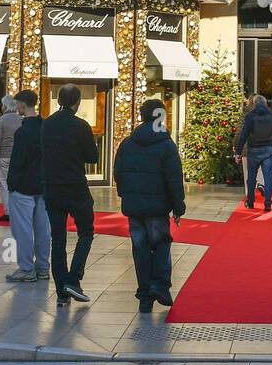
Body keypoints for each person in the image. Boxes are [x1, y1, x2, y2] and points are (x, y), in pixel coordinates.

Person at [113, 98, 186, 313]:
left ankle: (144, 294)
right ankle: (160, 285)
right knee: (161, 243)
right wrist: (178, 205)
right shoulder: (166, 145)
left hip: (134, 207)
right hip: (157, 206)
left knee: (140, 248)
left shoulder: (128, 143)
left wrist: (125, 194)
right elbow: (174, 178)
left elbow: (119, 173)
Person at [43, 83, 100, 306]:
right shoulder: (81, 125)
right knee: (86, 231)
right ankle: (73, 278)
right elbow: (93, 157)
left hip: (52, 187)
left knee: (57, 238)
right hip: (75, 186)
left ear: (58, 101)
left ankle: (61, 292)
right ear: (77, 103)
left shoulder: (47, 125)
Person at [4, 90, 51, 283]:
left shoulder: (22, 131)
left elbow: (18, 161)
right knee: (43, 229)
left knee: (23, 230)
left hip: (23, 187)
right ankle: (43, 267)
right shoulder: (46, 127)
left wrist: (11, 184)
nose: (16, 108)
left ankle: (26, 268)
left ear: (23, 105)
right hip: (44, 185)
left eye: (17, 104)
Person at [233, 93, 272, 212]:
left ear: (254, 104)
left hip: (253, 150)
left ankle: (250, 202)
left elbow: (243, 135)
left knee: (251, 178)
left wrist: (238, 152)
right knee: (268, 178)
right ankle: (268, 204)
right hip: (268, 150)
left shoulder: (250, 117)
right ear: (265, 104)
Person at [0, 93, 22, 224]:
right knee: (17, 184)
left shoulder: (1, 121)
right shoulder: (21, 120)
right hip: (17, 156)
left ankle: (8, 212)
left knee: (4, 184)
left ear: (5, 106)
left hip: (3, 156)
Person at [236, 96, 269, 203]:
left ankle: (249, 196)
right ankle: (261, 183)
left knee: (247, 172)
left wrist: (236, 146)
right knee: (260, 167)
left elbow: (240, 132)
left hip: (247, 147)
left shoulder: (245, 115)